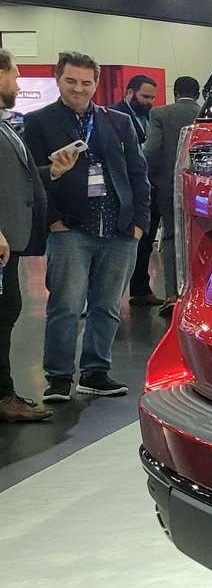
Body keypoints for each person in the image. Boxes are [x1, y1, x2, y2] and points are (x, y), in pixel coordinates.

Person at [21, 52, 150, 402]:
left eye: (86, 82)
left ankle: (95, 372)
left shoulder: (117, 121)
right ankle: (59, 377)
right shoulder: (38, 122)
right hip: (71, 230)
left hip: (119, 230)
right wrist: (52, 220)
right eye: (71, 81)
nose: (79, 88)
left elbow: (138, 175)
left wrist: (139, 222)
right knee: (65, 306)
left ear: (95, 84)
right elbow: (29, 180)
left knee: (107, 306)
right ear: (58, 80)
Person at [1, 50, 82, 422]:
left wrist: (52, 171)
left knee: (7, 312)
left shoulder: (4, 125)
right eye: (14, 76)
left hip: (12, 240)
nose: (18, 84)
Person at [137, 75, 201, 307]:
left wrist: (150, 179)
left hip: (168, 187)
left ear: (174, 93)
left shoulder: (160, 114)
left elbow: (151, 151)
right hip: (203, 189)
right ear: (198, 94)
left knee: (173, 237)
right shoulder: (207, 115)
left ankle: (175, 295)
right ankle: (199, 295)